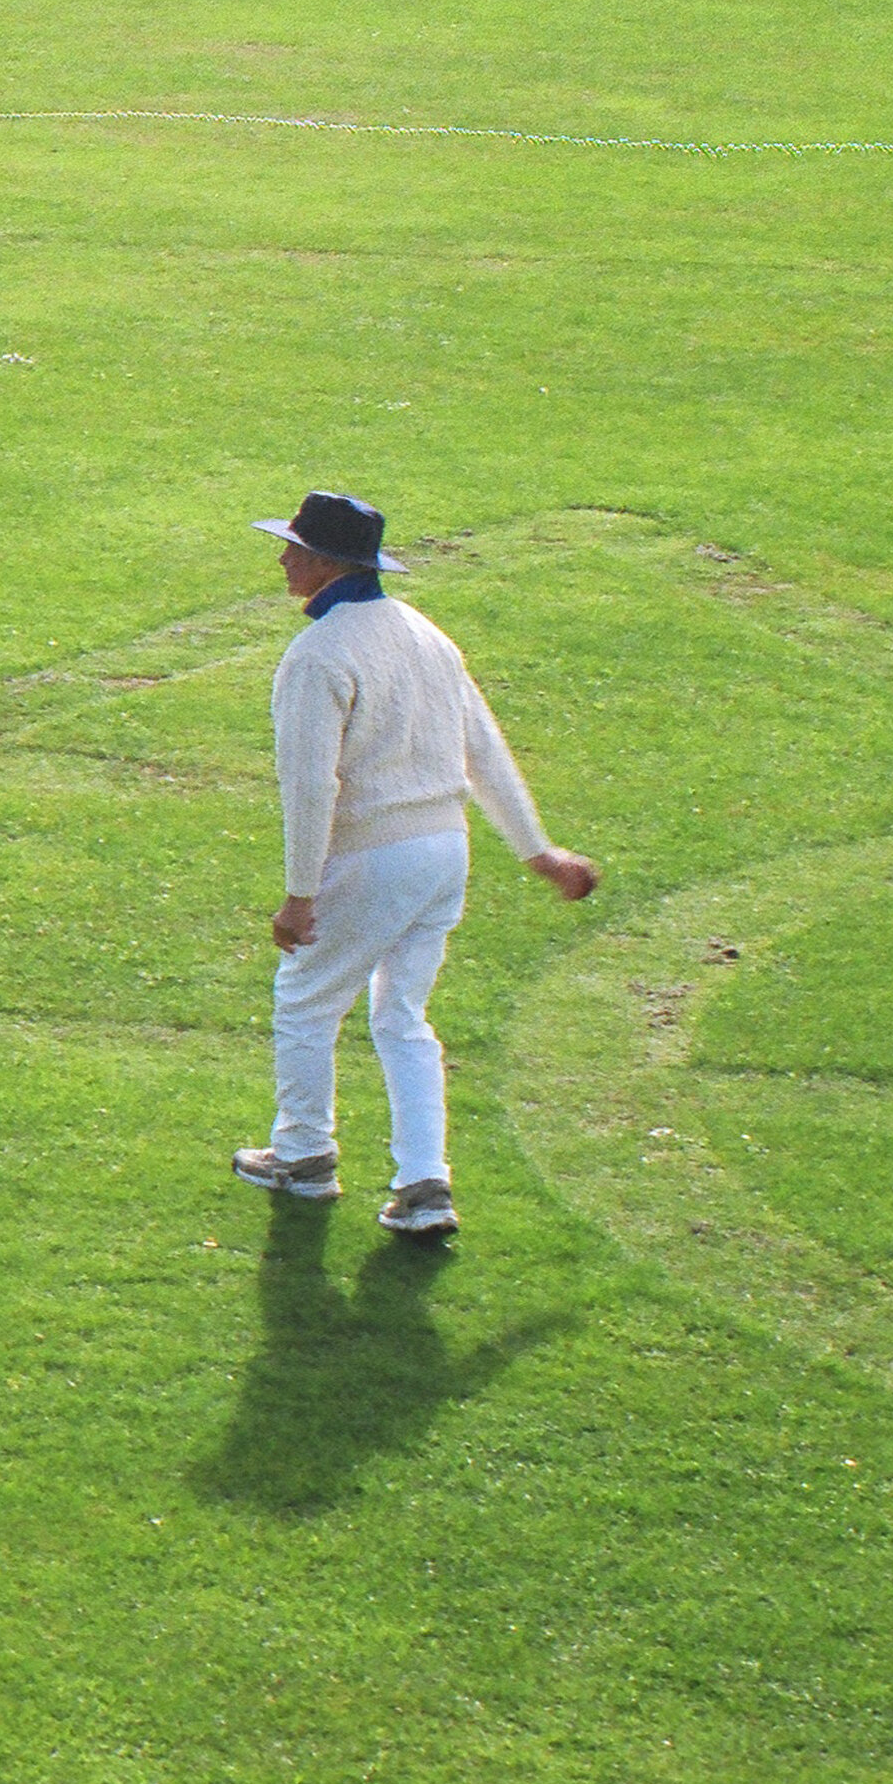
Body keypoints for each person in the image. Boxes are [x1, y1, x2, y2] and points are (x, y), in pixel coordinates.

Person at [234, 491, 599, 1239]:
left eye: (294, 549)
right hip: (444, 851)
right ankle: (423, 1184)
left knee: (304, 1000)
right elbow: (484, 746)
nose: (281, 558)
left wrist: (300, 895)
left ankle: (303, 1156)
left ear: (329, 563)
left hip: (374, 854)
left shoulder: (317, 656)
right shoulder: (424, 633)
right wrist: (535, 848)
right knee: (401, 1016)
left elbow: (311, 785)